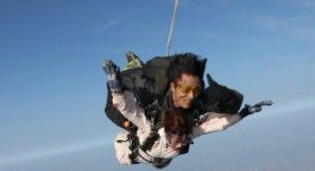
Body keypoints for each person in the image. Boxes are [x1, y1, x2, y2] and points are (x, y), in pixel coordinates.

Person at [103, 59, 271, 168]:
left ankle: (132, 73)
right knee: (196, 103)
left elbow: (130, 110)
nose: (182, 142)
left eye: (180, 139)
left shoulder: (150, 133)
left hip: (139, 141)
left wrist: (116, 90)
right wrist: (243, 113)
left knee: (116, 112)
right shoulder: (183, 137)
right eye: (182, 139)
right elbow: (215, 126)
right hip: (155, 140)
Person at [104, 51, 244, 134]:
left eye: (195, 90)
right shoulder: (151, 92)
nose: (191, 96)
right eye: (185, 89)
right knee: (134, 77)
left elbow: (235, 103)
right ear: (173, 87)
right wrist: (117, 92)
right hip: (135, 80)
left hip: (162, 109)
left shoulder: (197, 99)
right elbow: (111, 110)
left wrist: (224, 94)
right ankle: (134, 64)